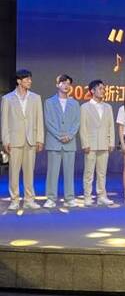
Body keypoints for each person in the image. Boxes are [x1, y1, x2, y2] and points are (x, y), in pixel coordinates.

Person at [1, 69, 44, 210]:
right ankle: (14, 200)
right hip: (14, 141)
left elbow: (39, 120)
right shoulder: (7, 99)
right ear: (19, 81)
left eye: (30, 79)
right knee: (13, 172)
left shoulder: (36, 98)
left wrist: (40, 139)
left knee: (29, 172)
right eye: (27, 79)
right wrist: (5, 141)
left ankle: (29, 200)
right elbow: (4, 122)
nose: (30, 81)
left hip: (31, 140)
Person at [43, 74, 80, 209]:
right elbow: (48, 122)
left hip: (70, 143)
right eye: (63, 83)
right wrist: (60, 136)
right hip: (54, 142)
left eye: (68, 83)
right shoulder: (49, 102)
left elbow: (77, 122)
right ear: (57, 85)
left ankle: (69, 198)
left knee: (69, 172)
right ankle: (51, 198)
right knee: (52, 172)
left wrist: (69, 136)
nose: (66, 85)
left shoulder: (75, 103)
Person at [80, 79, 115, 206]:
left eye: (103, 88)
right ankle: (87, 196)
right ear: (92, 91)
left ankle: (101, 196)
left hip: (104, 144)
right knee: (89, 172)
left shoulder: (108, 107)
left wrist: (111, 142)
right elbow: (83, 127)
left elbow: (111, 126)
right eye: (100, 88)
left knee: (102, 173)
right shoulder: (85, 107)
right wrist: (85, 143)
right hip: (91, 144)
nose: (103, 91)